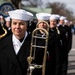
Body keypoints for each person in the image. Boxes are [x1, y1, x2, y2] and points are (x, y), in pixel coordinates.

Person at [0, 9, 33, 75]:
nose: (17, 27)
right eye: (14, 23)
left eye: (21, 24)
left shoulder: (36, 44)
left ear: (26, 26)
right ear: (11, 25)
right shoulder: (2, 43)